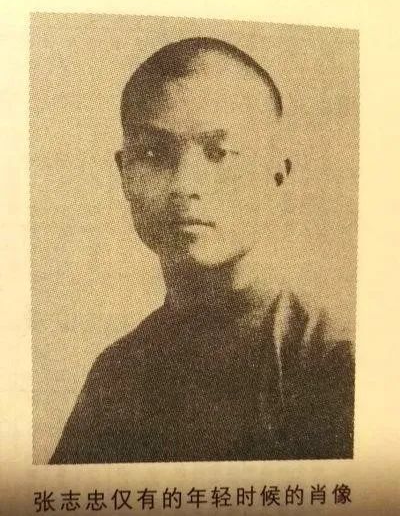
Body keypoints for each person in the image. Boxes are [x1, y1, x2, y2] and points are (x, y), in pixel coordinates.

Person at [50, 37, 354, 464]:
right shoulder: (116, 375)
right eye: (153, 153)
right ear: (124, 174)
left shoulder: (332, 359)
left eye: (219, 153)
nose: (184, 184)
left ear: (277, 175)